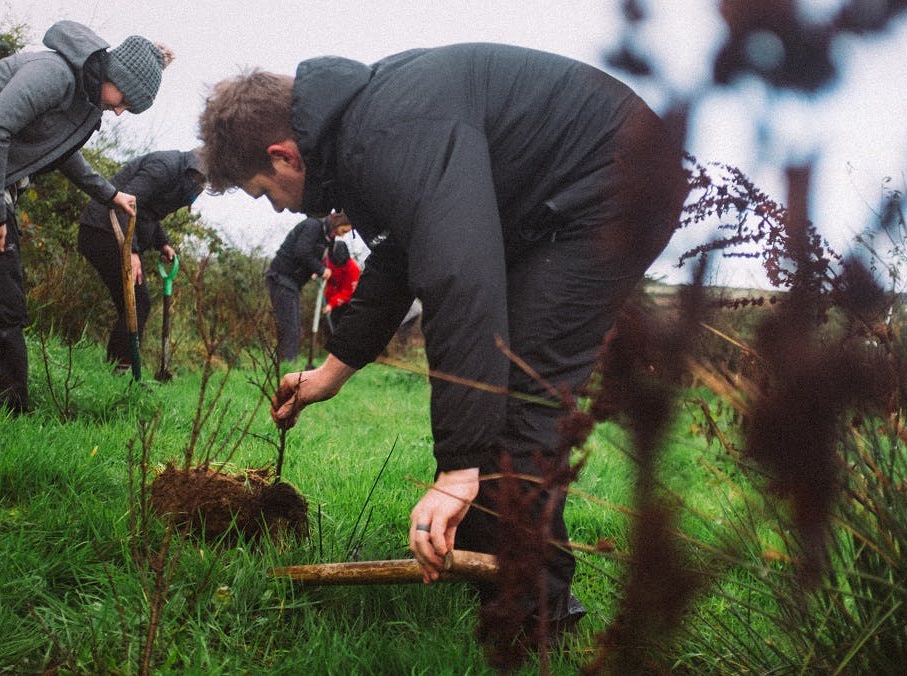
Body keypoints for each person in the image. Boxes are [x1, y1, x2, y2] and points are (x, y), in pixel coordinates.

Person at [198, 44, 682, 638]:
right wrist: (333, 370)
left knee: (523, 387)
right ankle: (502, 586)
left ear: (284, 154)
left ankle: (533, 619)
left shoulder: (391, 130)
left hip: (610, 188)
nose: (275, 209)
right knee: (501, 400)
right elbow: (403, 257)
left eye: (261, 191)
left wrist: (457, 467)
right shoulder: (364, 130)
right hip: (557, 200)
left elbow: (459, 279)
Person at [0, 20, 172, 413]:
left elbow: (62, 152)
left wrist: (110, 194)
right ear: (119, 75)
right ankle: (0, 413)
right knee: (1, 303)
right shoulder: (54, 73)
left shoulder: (84, 100)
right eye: (125, 101)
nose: (121, 111)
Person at [78, 149, 204, 370]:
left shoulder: (191, 178)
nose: (202, 186)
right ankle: (120, 372)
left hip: (112, 232)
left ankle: (117, 370)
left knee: (133, 305)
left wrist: (162, 242)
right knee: (137, 303)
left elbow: (148, 212)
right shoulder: (164, 168)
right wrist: (131, 251)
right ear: (195, 168)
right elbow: (125, 204)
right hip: (102, 229)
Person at [264, 212, 352, 361]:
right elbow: (302, 252)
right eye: (344, 231)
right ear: (338, 221)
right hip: (281, 278)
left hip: (293, 284)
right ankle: (286, 367)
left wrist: (314, 270)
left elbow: (317, 257)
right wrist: (320, 269)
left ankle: (284, 366)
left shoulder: (328, 238)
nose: (342, 235)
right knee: (290, 329)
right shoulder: (313, 225)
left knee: (294, 328)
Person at [323, 239, 361, 330]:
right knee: (326, 325)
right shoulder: (329, 260)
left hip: (344, 303)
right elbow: (322, 267)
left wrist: (331, 304)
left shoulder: (353, 269)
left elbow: (347, 292)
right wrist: (318, 271)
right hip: (329, 296)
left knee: (338, 326)